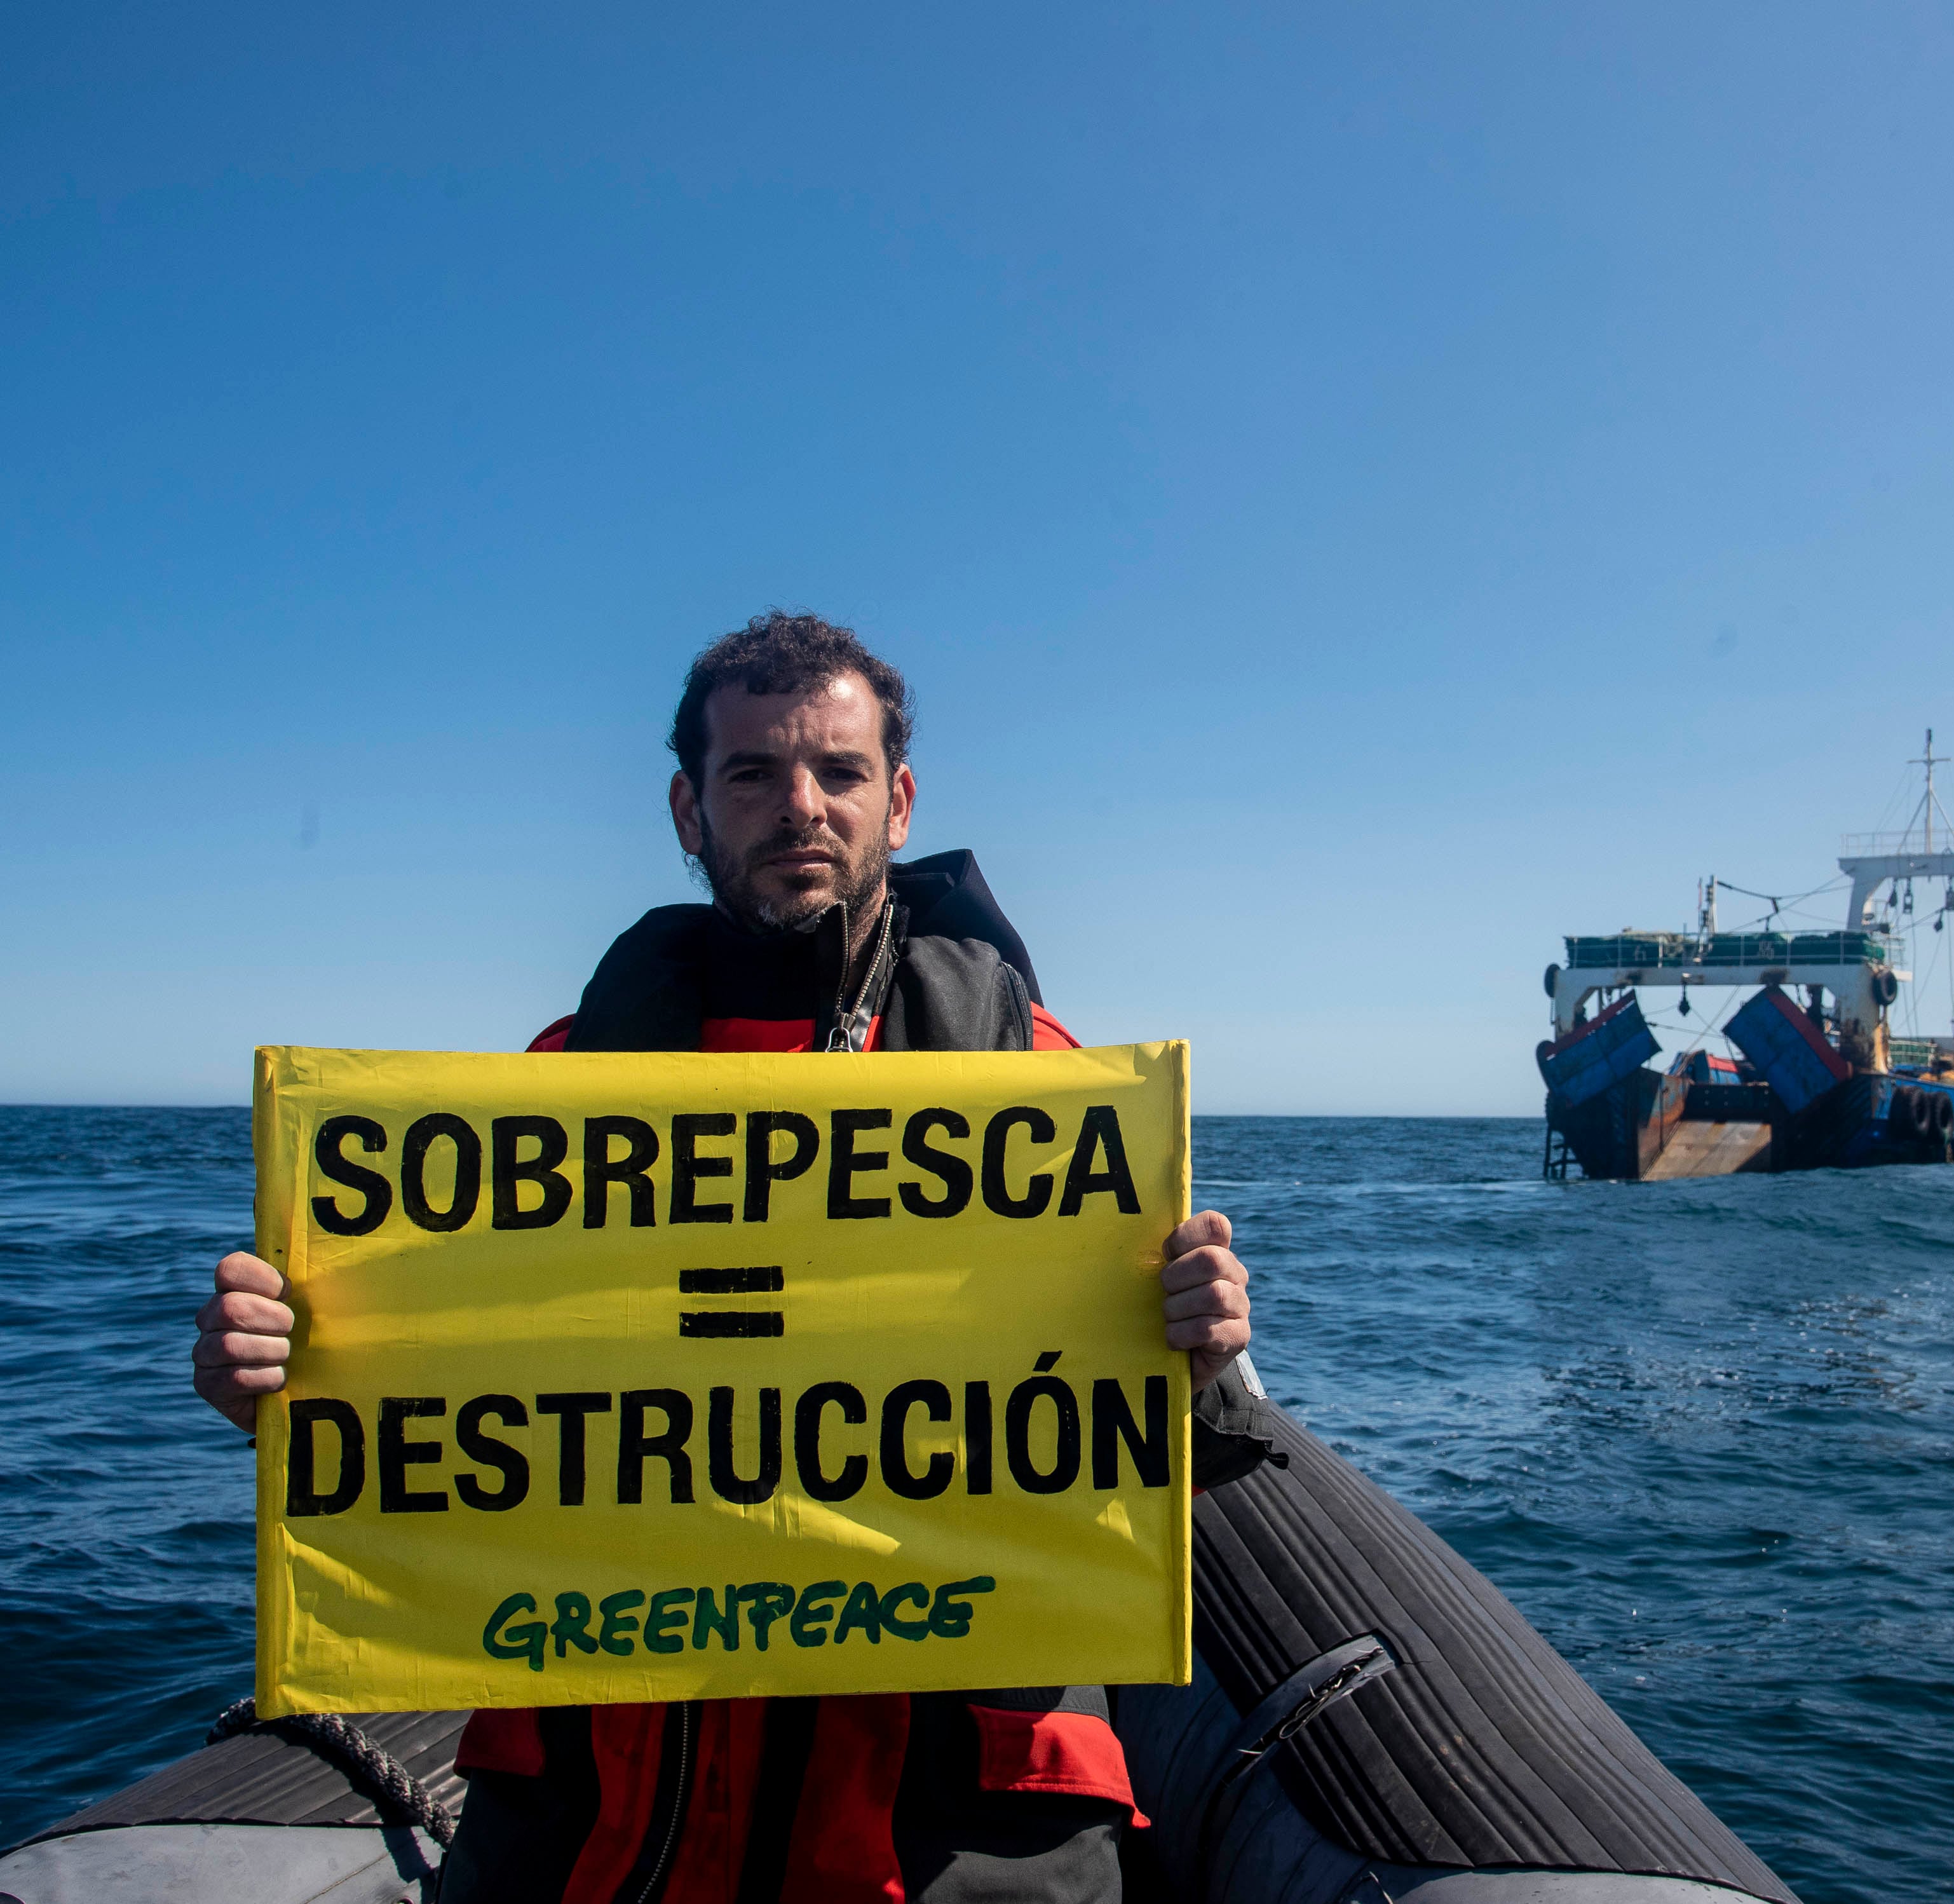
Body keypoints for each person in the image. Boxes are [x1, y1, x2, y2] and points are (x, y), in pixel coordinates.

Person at [190, 611, 1266, 1904]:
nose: (799, 805)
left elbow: (1160, 1452)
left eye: (839, 771)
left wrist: (1197, 1359)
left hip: (942, 1824)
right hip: (602, 1811)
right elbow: (448, 1404)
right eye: (752, 772)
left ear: (898, 803)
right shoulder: (552, 1089)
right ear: (688, 810)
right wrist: (287, 1381)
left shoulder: (1041, 1083)